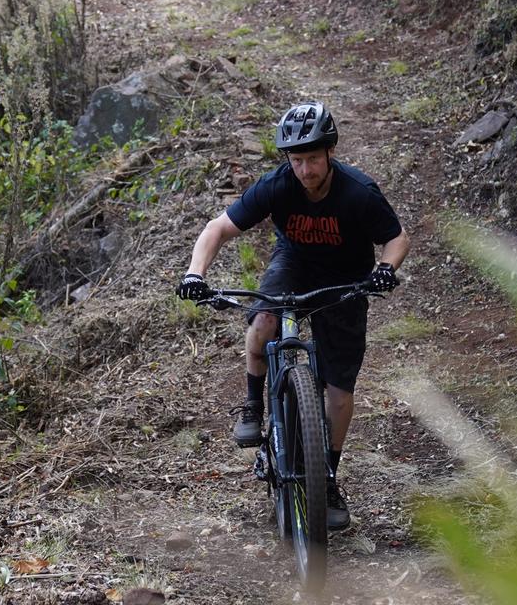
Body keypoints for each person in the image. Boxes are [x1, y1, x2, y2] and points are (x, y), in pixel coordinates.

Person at [175, 101, 410, 530]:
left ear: (330, 153)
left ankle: (329, 477)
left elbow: (396, 239)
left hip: (345, 278)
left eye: (313, 159)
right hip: (294, 263)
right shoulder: (278, 185)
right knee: (263, 321)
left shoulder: (358, 192)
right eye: (297, 160)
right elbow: (218, 229)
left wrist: (385, 271)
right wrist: (195, 273)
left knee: (339, 393)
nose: (305, 170)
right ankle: (252, 405)